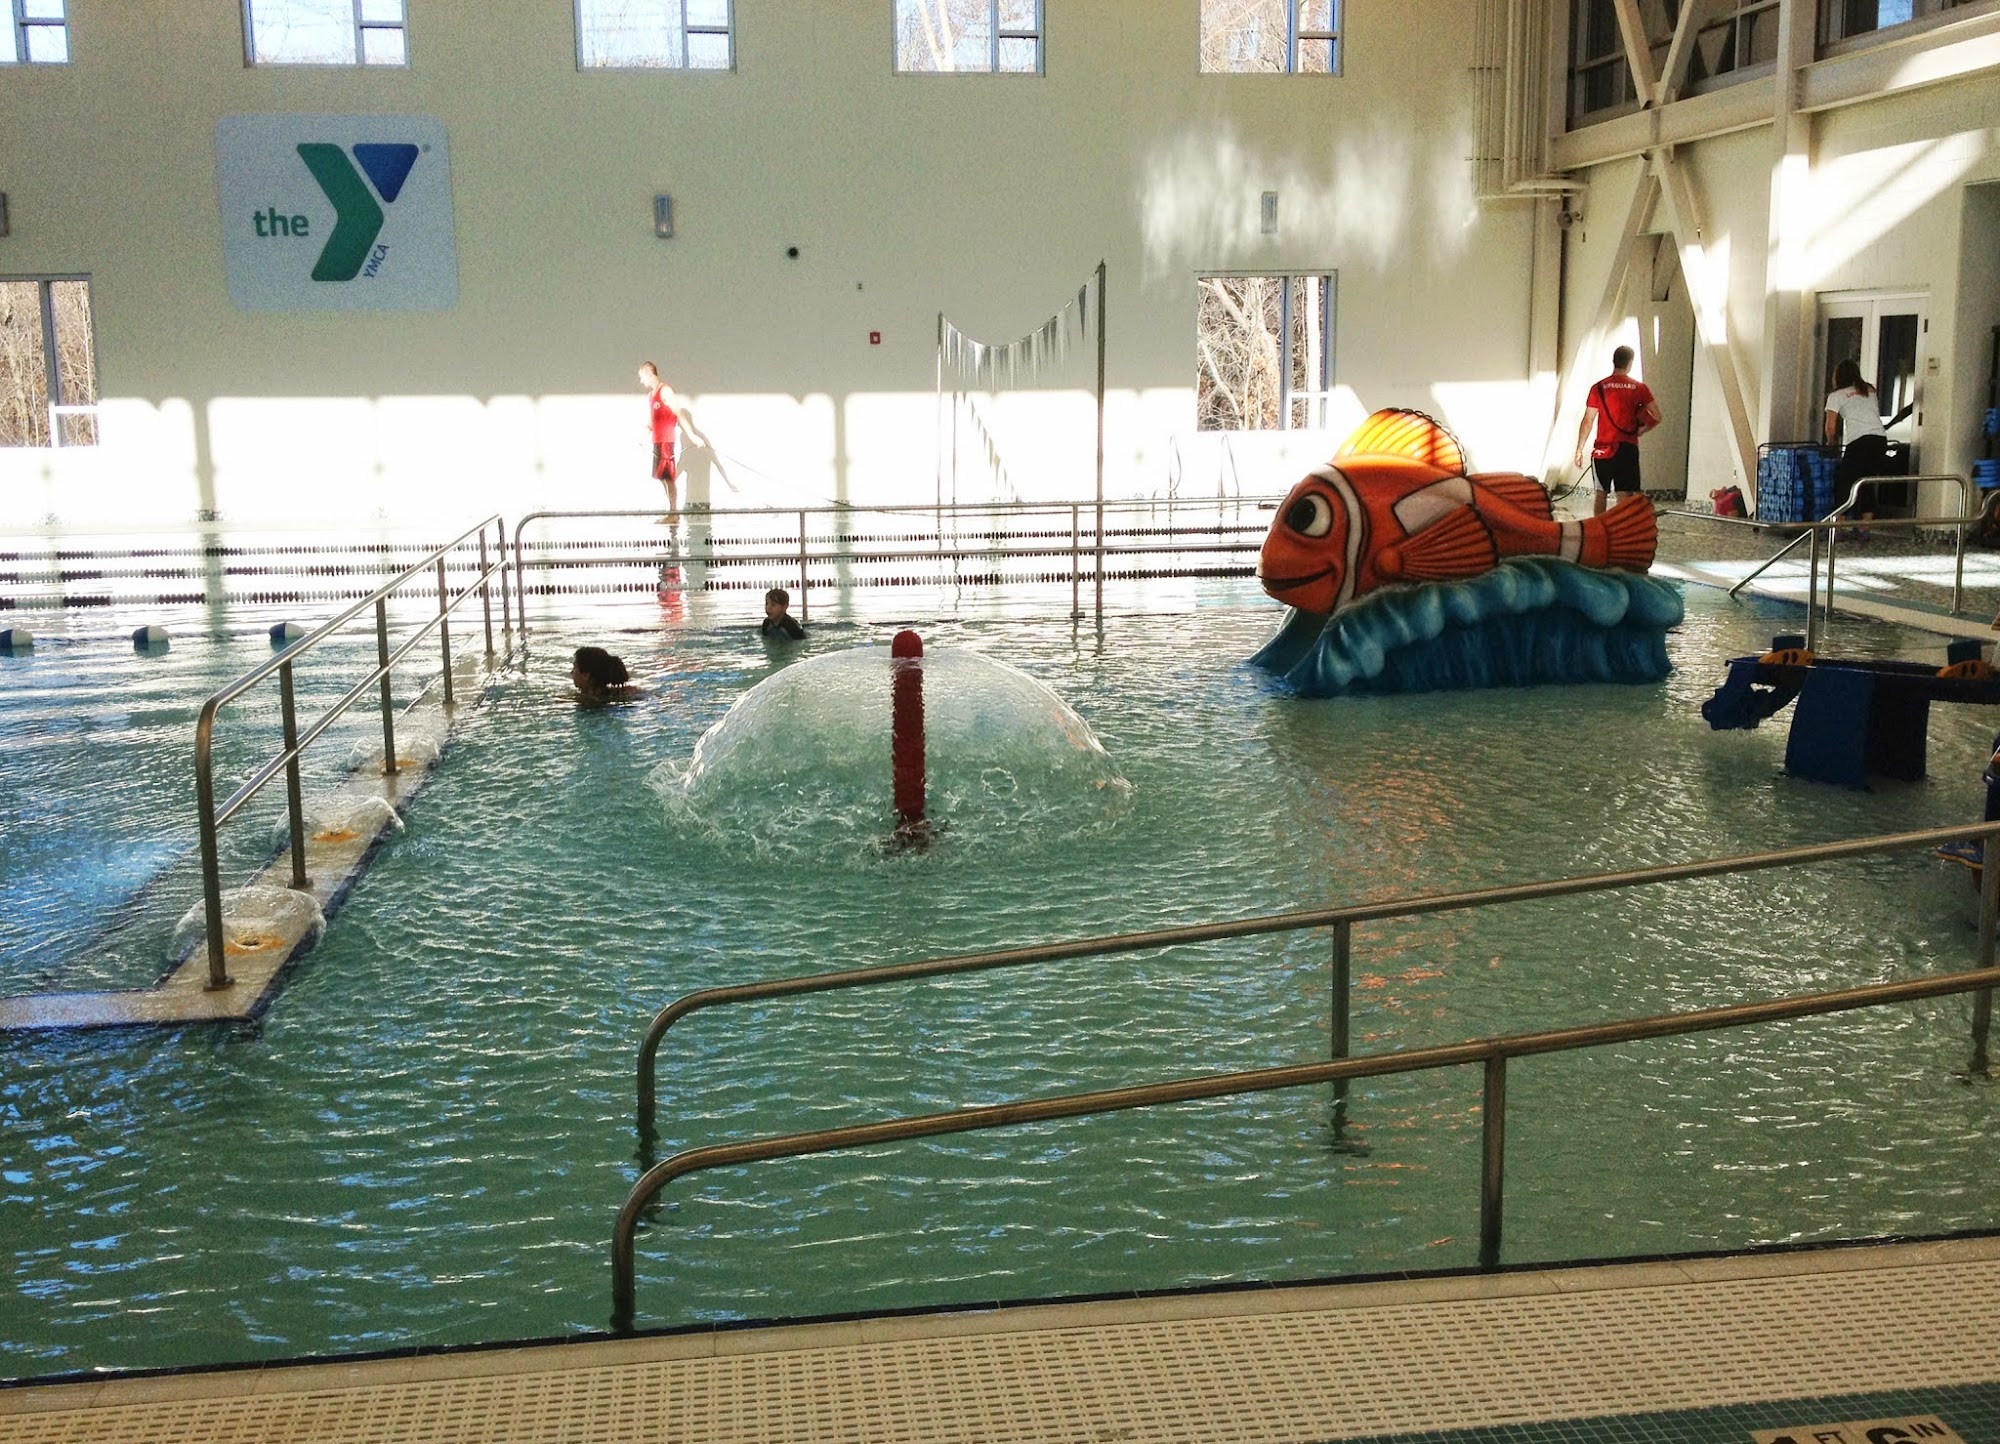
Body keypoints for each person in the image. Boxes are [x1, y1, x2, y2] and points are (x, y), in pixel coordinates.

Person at [1574, 345, 1662, 515]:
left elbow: (1588, 421)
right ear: (1630, 363)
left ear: (1614, 361)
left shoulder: (1598, 387)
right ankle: (1622, 527)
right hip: (1628, 448)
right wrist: (1642, 430)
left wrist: (1579, 449)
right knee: (1624, 493)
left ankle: (1598, 526)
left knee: (1601, 492)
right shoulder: (1639, 388)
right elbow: (1657, 416)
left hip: (1603, 448)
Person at [1823, 358, 1905, 531]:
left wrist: (1831, 443)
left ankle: (1838, 527)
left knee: (1845, 482)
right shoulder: (1869, 390)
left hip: (1859, 441)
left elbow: (1830, 427)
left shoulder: (1835, 396)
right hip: (1879, 439)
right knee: (1866, 482)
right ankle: (1864, 528)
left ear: (1838, 377)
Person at [638, 363, 707, 523]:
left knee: (668, 478)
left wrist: (693, 436)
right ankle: (672, 511)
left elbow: (679, 414)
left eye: (641, 377)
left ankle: (674, 514)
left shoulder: (665, 391)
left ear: (649, 374)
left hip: (667, 441)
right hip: (657, 441)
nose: (641, 381)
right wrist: (645, 431)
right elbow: (653, 418)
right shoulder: (651, 395)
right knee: (661, 477)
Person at [571, 645, 643, 703]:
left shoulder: (580, 699)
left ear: (586, 675)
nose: (571, 672)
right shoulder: (627, 692)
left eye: (574, 668)